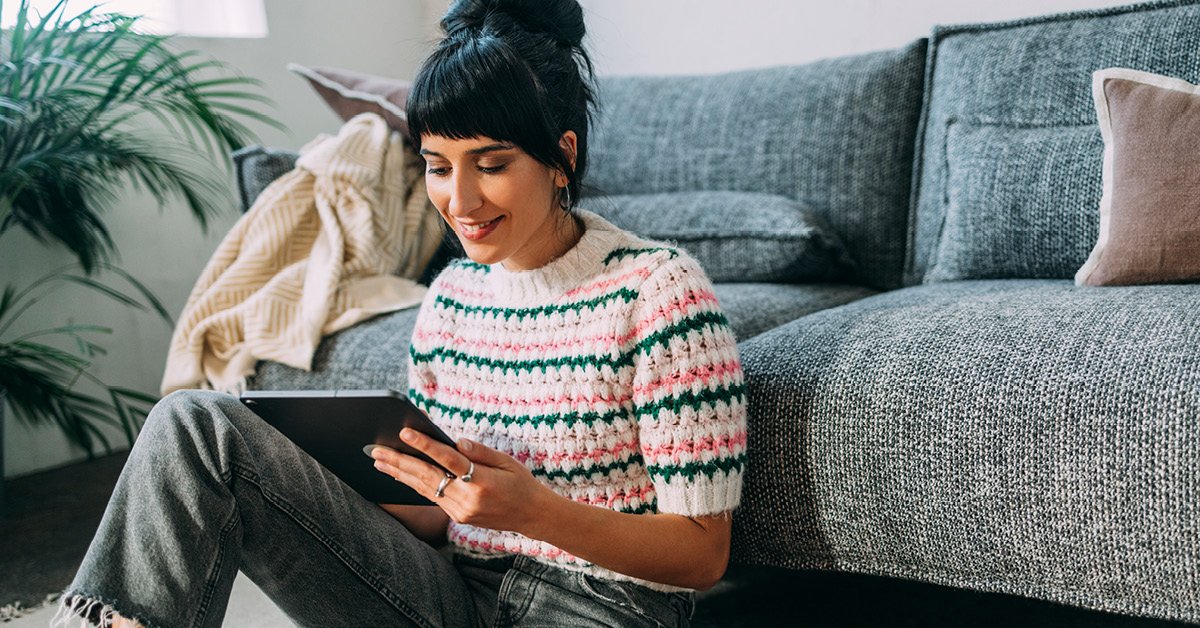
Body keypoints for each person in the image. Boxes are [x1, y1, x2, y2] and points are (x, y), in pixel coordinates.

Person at [52, 0, 747, 626]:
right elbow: (430, 520)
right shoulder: (450, 302)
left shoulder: (660, 292)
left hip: (599, 606)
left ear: (561, 156)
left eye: (492, 162)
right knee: (195, 424)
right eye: (438, 166)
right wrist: (318, 481)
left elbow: (701, 555)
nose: (461, 200)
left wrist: (533, 511)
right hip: (449, 593)